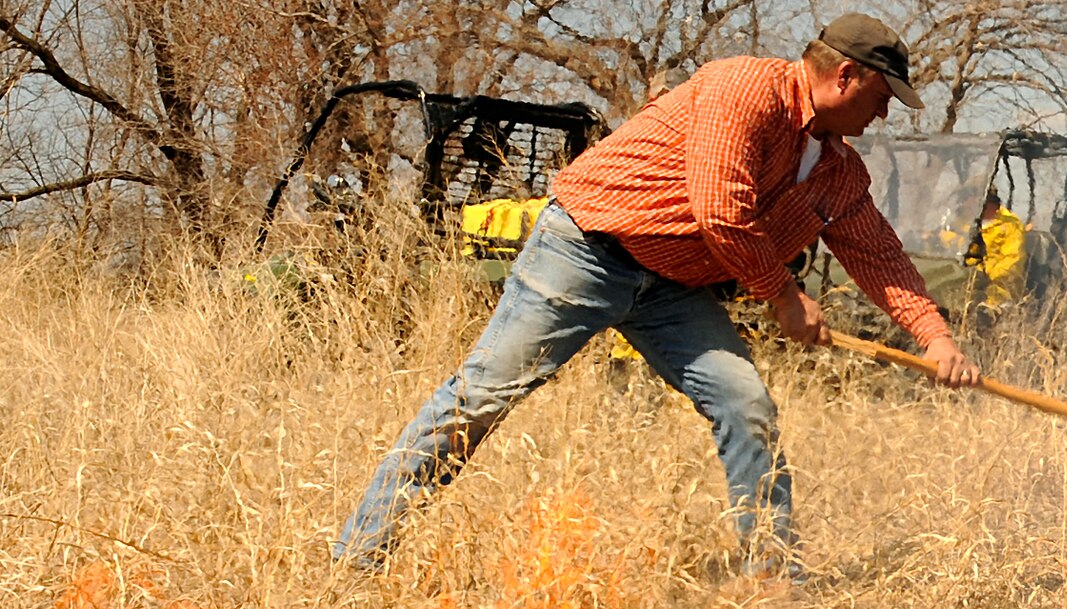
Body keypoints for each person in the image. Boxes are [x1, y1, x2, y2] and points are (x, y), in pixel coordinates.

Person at [332, 13, 979, 576]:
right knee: (482, 395)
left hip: (674, 289)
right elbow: (720, 209)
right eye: (883, 95)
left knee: (747, 405)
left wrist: (937, 338)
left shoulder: (840, 170)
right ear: (844, 78)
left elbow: (879, 254)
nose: (886, 112)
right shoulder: (743, 89)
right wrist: (783, 296)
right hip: (586, 248)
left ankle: (774, 579)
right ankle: (358, 556)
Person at [966, 190, 1027, 310]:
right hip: (967, 284)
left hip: (1000, 288)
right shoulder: (965, 221)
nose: (966, 203)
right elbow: (955, 250)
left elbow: (1013, 260)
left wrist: (987, 276)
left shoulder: (1010, 224)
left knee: (987, 311)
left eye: (970, 197)